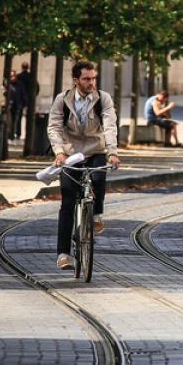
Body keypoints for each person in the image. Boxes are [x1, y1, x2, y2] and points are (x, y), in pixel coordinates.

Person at [47, 61, 120, 270]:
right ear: (76, 80)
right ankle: (63, 254)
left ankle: (96, 213)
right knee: (68, 202)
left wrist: (113, 153)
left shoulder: (102, 98)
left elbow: (110, 125)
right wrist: (59, 152)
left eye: (93, 78)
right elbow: (54, 127)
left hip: (95, 150)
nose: (91, 83)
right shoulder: (62, 100)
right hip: (71, 154)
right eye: (87, 79)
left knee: (98, 177)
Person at [8, 70, 27, 140]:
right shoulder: (8, 85)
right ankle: (10, 135)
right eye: (11, 76)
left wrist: (25, 104)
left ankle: (17, 134)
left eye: (14, 76)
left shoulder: (20, 84)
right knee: (10, 121)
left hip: (17, 105)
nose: (13, 78)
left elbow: (23, 94)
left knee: (16, 121)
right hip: (10, 105)